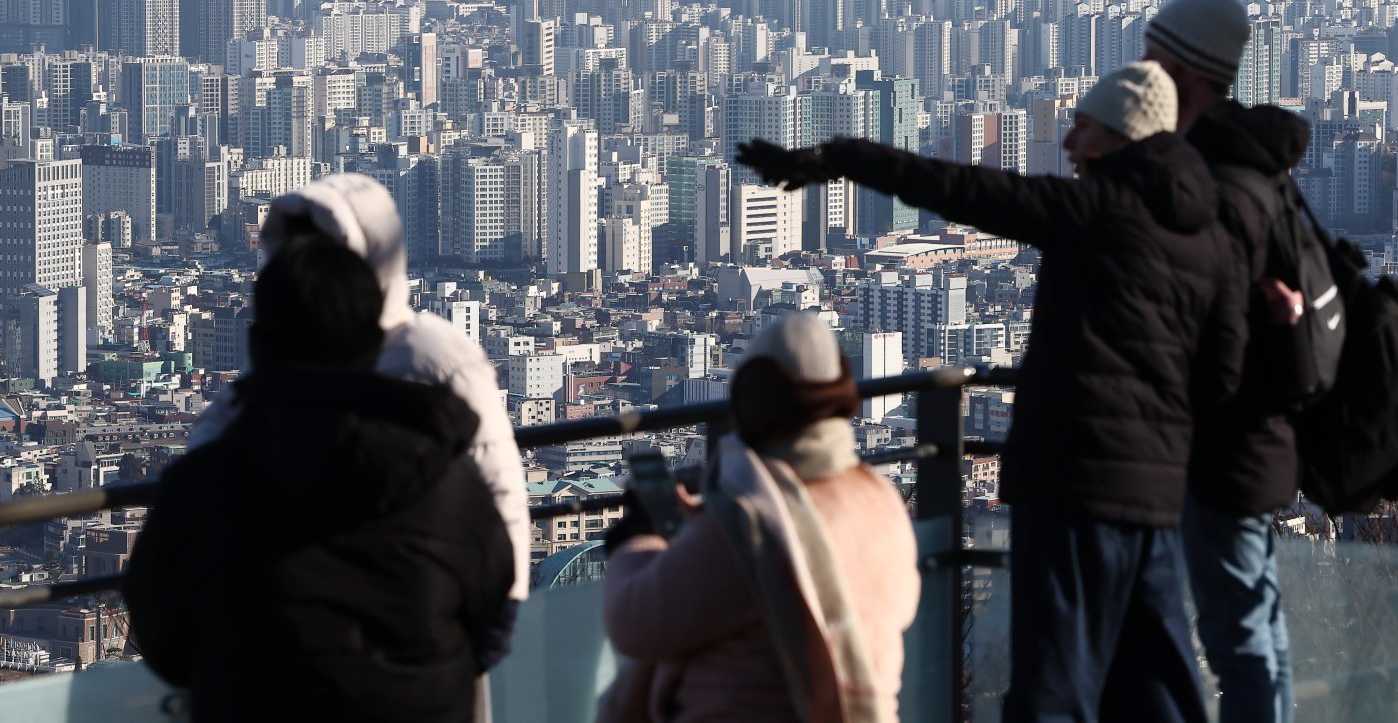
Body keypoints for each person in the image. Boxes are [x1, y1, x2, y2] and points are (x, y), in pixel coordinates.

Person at [738, 62, 1245, 723]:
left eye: (1082, 128)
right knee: (1159, 689)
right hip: (1154, 498)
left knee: (1053, 686)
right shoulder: (1211, 238)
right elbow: (1225, 374)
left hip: (1071, 483)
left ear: (1118, 136)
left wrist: (840, 157)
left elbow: (962, 189)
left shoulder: (1092, 211)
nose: (1068, 144)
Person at [124, 238, 515, 723]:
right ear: (375, 344)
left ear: (260, 345)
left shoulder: (202, 488)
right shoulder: (448, 483)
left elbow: (160, 636)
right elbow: (493, 616)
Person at [187, 173, 532, 608]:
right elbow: (211, 450)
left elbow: (499, 492)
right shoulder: (287, 349)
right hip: (326, 617)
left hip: (402, 608)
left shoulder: (433, 354)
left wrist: (498, 616)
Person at [600, 312, 920, 723]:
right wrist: (704, 521)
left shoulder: (752, 526)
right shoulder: (880, 498)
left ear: (751, 403)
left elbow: (634, 621)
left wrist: (637, 535)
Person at [1143, 0, 1311, 723]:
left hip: (1224, 443)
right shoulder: (1261, 162)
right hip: (1261, 434)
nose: (1143, 75)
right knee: (1256, 622)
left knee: (1236, 630)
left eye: (1155, 60)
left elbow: (1215, 317)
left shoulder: (1215, 178)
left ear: (1187, 70)